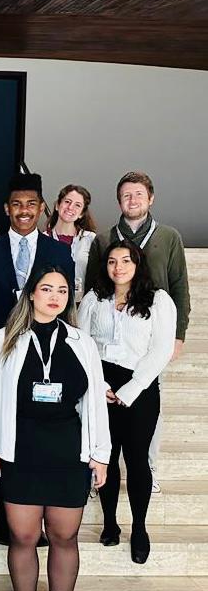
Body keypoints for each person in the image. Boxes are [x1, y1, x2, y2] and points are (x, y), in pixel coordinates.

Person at [0, 265, 110, 591]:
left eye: (62, 290)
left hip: (68, 453)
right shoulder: (3, 339)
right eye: (46, 289)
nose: (55, 297)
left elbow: (94, 401)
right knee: (22, 537)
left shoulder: (81, 342)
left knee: (63, 537)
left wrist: (100, 454)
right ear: (31, 294)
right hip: (19, 452)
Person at [0, 172, 74, 545]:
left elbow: (65, 305)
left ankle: (37, 513)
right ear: (6, 209)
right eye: (17, 204)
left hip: (46, 357)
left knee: (37, 434)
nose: (24, 210)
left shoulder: (59, 253)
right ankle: (5, 514)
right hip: (3, 354)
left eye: (31, 204)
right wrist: (2, 345)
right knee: (1, 429)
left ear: (42, 208)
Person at [85, 171, 190, 492]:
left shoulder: (168, 236)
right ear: (119, 201)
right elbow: (93, 286)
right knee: (100, 408)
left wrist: (178, 334)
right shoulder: (104, 239)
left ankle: (147, 467)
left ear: (151, 198)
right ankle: (99, 468)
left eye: (139, 194)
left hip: (151, 333)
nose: (133, 200)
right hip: (112, 336)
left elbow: (179, 286)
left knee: (147, 402)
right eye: (126, 195)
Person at [78, 241, 175, 564]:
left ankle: (140, 528)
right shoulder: (94, 298)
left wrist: (131, 389)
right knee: (105, 455)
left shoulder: (159, 300)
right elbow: (82, 343)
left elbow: (161, 350)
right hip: (101, 383)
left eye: (125, 261)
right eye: (111, 261)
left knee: (136, 460)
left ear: (138, 264)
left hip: (140, 386)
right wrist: (100, 385)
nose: (118, 267)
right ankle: (109, 522)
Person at [44, 184, 97, 302]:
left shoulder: (91, 239)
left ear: (82, 213)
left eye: (77, 205)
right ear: (57, 205)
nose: (70, 207)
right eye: (67, 201)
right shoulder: (42, 239)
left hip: (81, 303)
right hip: (51, 302)